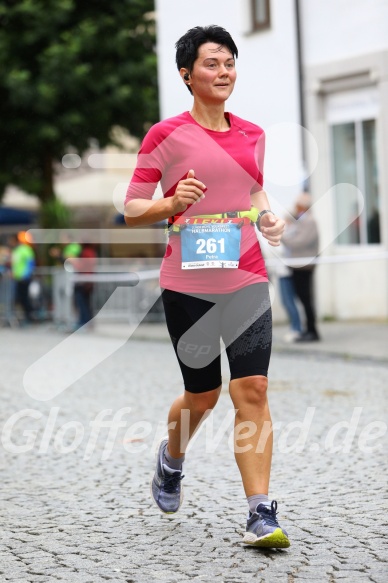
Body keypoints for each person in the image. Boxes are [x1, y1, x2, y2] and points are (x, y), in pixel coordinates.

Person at [124, 25, 290, 548]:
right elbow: (131, 209)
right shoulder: (164, 135)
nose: (223, 72)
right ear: (186, 75)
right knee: (204, 394)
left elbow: (254, 188)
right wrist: (170, 205)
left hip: (245, 276)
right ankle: (171, 459)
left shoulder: (253, 134)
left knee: (253, 389)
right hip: (188, 282)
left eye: (229, 63)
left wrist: (268, 218)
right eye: (212, 64)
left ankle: (260, 512)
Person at [282, 193, 320, 342]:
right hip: (297, 266)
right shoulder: (301, 220)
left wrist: (283, 237)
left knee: (306, 299)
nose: (295, 208)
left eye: (298, 205)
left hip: (304, 267)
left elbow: (299, 242)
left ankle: (312, 330)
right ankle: (308, 329)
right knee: (302, 298)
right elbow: (288, 215)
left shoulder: (309, 221)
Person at [9, 231, 36, 323]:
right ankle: (27, 316)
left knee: (24, 297)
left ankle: (30, 316)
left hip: (24, 278)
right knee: (19, 298)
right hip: (17, 278)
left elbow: (30, 263)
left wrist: (26, 274)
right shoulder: (15, 251)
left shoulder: (25, 249)